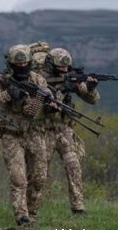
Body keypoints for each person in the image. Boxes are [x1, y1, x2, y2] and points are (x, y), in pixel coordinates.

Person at [0, 44, 50, 225]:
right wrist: (8, 94)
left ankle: (33, 211)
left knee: (39, 177)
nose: (21, 67)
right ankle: (22, 215)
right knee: (18, 178)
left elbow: (41, 107)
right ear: (11, 64)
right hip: (11, 134)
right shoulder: (1, 80)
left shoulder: (38, 80)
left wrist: (47, 104)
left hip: (35, 133)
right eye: (17, 64)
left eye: (25, 63)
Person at [41, 48, 100, 215]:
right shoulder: (41, 79)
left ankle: (78, 208)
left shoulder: (70, 78)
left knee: (74, 166)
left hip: (65, 130)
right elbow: (40, 99)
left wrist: (90, 88)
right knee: (39, 171)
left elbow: (93, 100)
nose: (64, 70)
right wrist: (59, 90)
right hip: (44, 130)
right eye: (60, 67)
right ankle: (30, 209)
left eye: (66, 67)